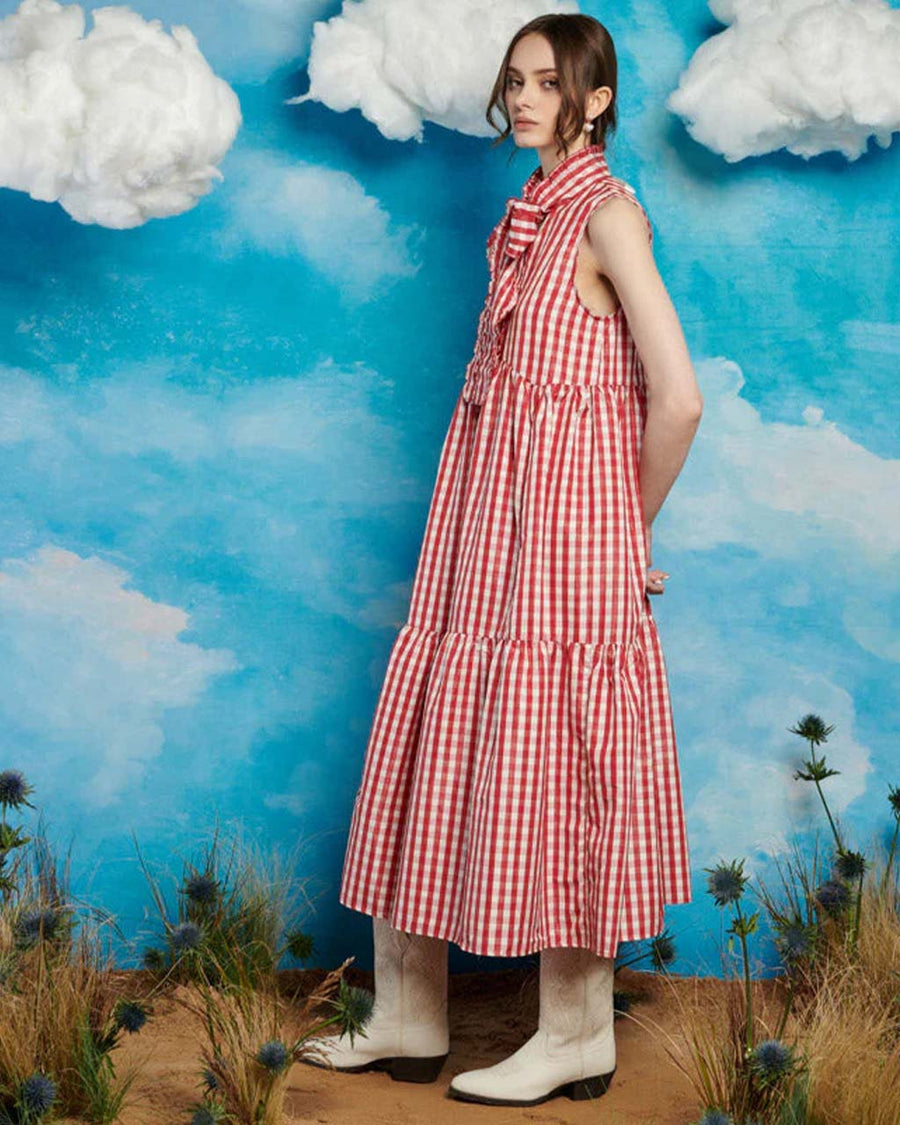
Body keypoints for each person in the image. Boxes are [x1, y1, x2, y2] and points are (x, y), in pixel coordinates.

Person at [300, 12, 702, 1107]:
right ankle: (408, 1015)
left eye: (547, 81)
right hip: (482, 532)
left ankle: (576, 1035)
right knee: (439, 731)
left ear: (598, 99)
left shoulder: (609, 216)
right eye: (513, 80)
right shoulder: (530, 211)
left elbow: (678, 397)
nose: (522, 97)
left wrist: (630, 532)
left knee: (560, 758)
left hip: (564, 547)